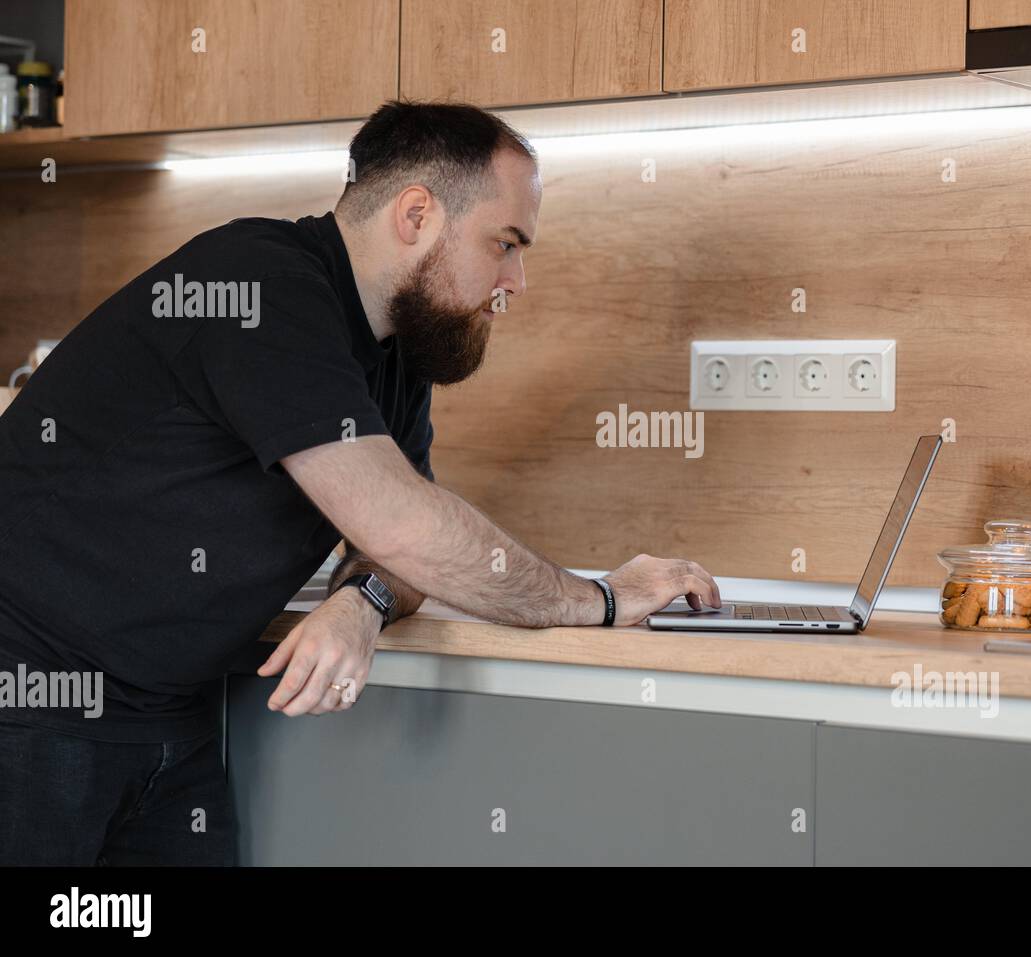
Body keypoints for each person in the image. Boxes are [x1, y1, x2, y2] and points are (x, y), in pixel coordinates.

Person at [0, 100, 721, 866]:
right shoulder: (260, 288)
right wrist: (600, 600)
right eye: (505, 243)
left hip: (163, 716)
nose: (517, 280)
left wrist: (361, 604)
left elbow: (403, 551)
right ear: (417, 214)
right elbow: (406, 526)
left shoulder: (396, 353)